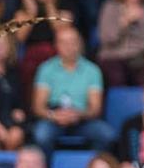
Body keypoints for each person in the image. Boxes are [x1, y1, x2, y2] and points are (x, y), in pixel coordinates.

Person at [30, 23, 113, 154]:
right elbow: (38, 107)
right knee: (41, 135)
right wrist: (54, 115)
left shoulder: (92, 70)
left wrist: (78, 115)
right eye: (64, 42)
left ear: (80, 44)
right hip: (53, 118)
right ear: (56, 46)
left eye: (73, 42)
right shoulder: (46, 69)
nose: (69, 46)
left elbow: (95, 109)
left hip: (82, 119)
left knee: (106, 135)